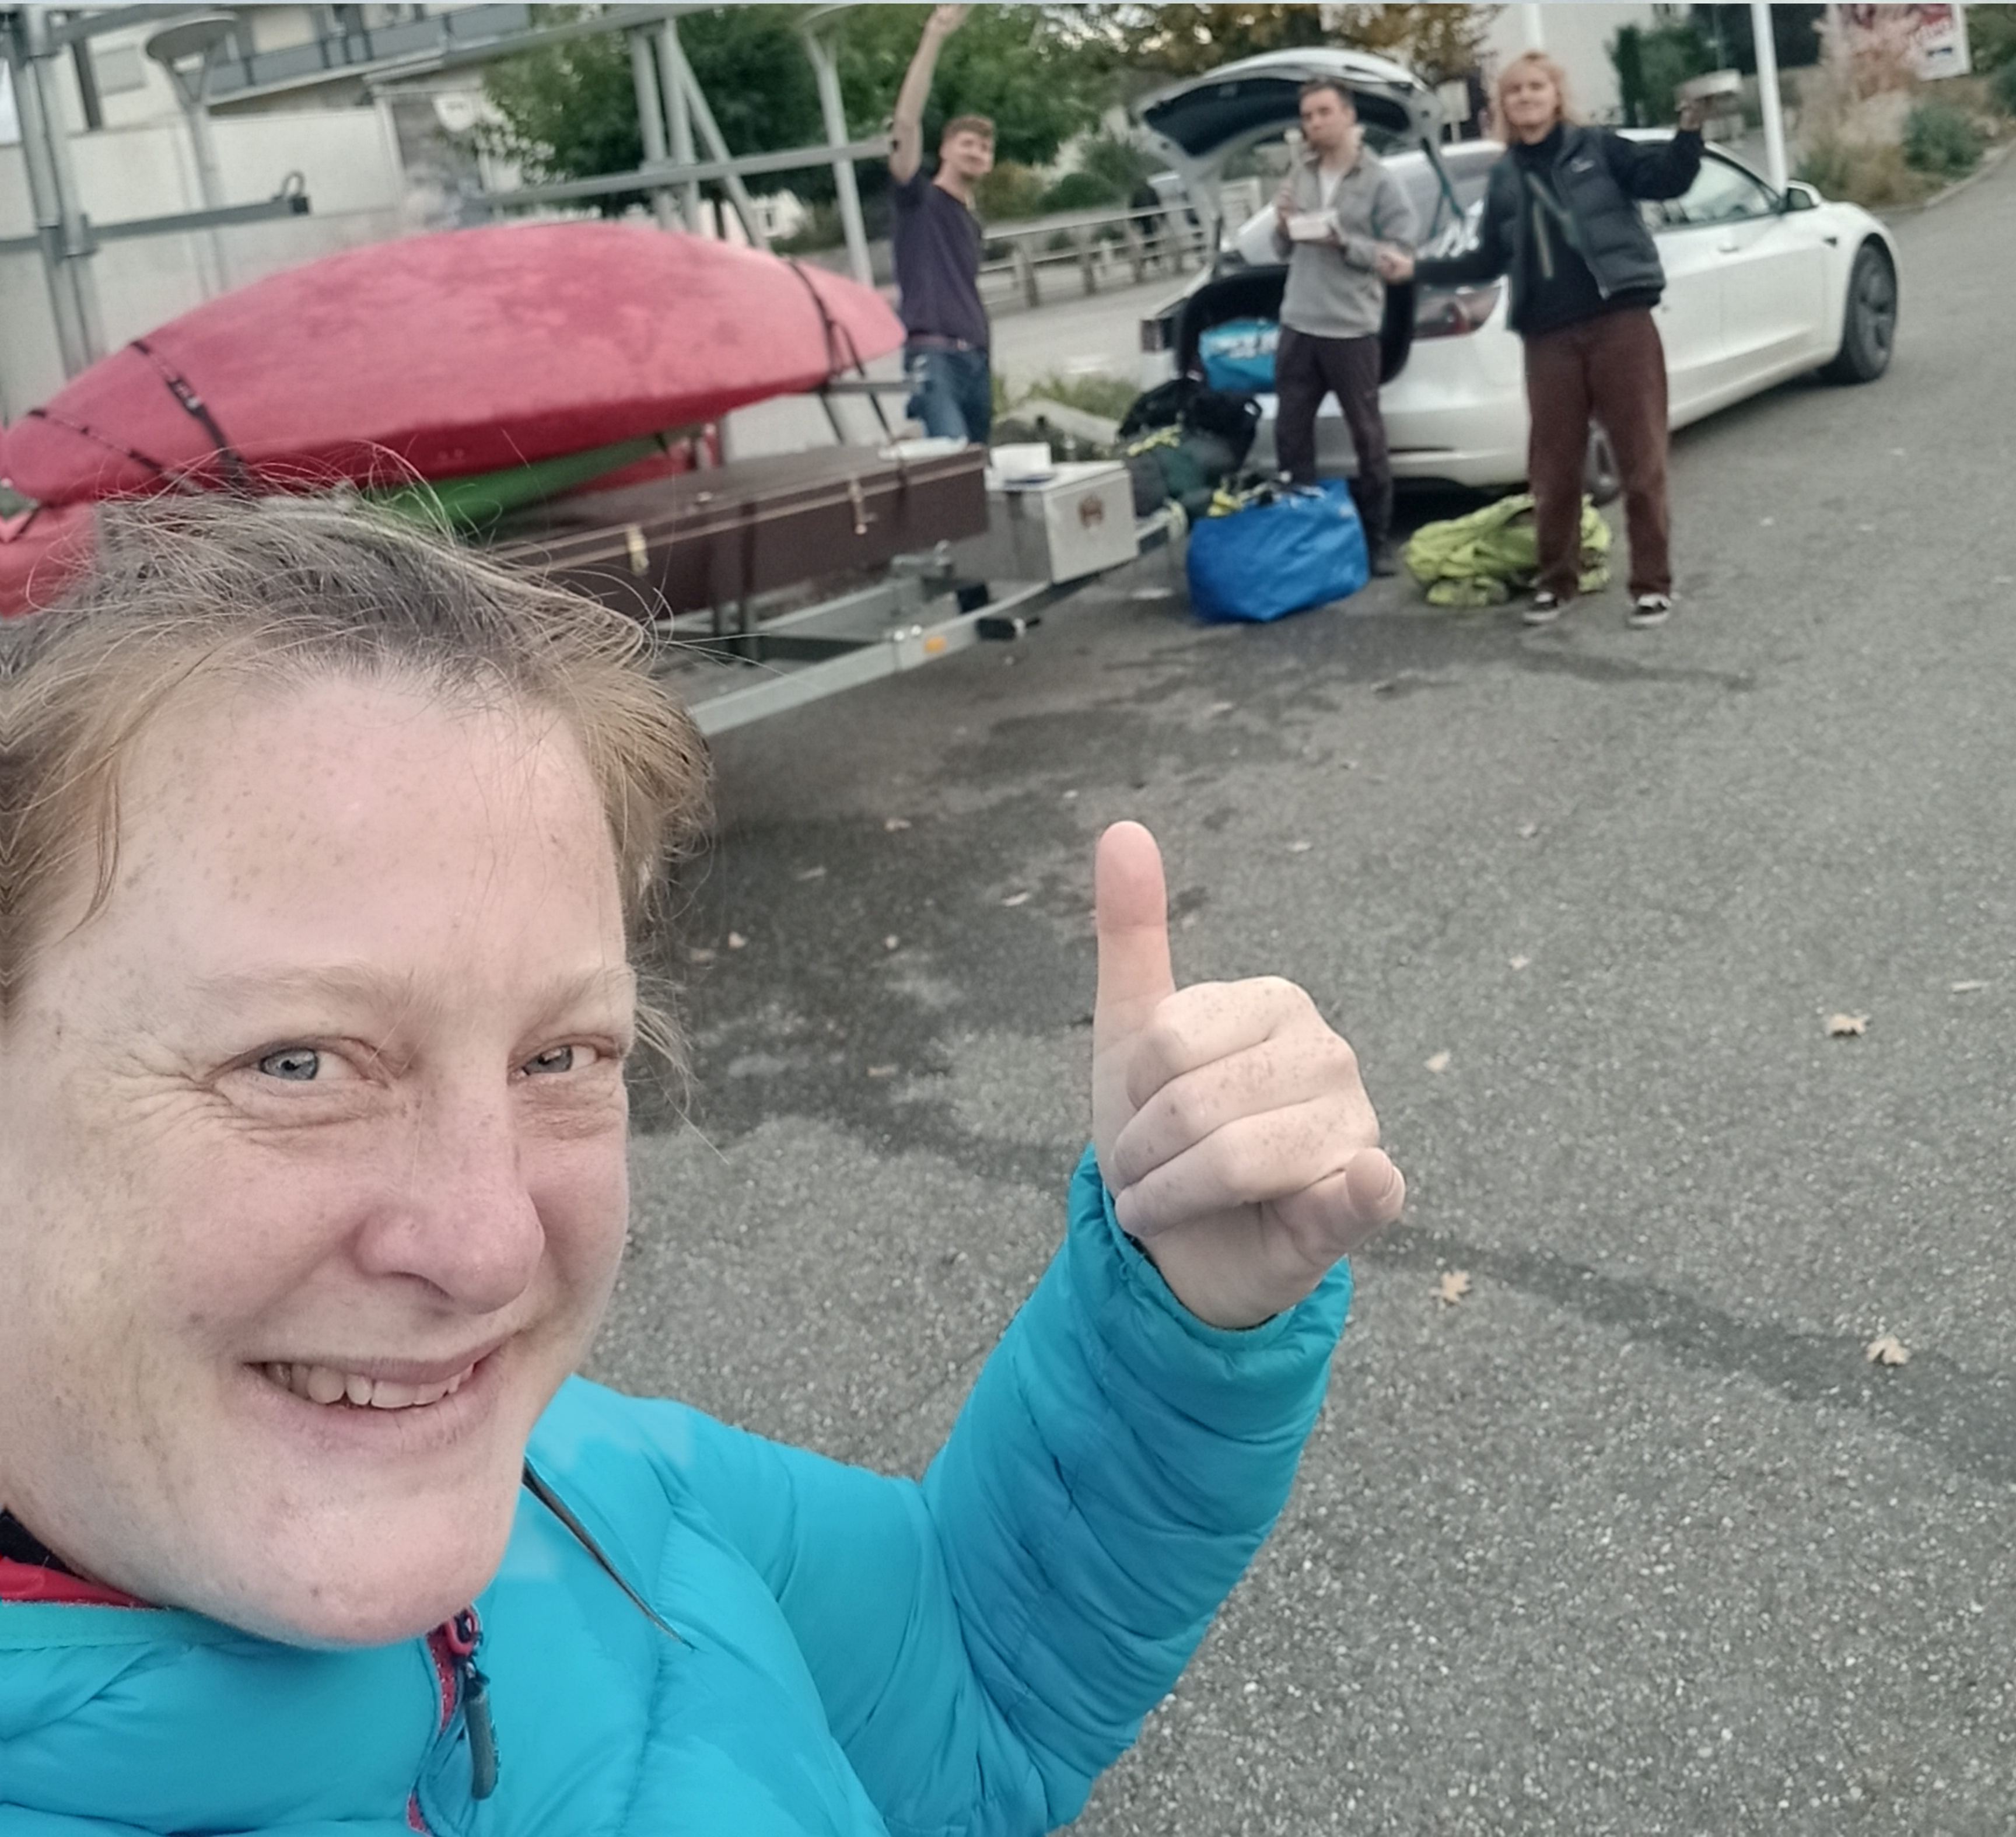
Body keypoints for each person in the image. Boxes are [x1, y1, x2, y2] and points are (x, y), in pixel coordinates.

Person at [0, 498, 1406, 1831]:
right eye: (297, 1061)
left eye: (560, 1055)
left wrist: (1162, 1304)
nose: (488, 1245)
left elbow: (969, 1686)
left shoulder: (596, 1476)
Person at [1399, 53, 1706, 628]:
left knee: (1640, 460)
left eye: (1536, 87)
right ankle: (1555, 581)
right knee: (1553, 467)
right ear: (1504, 108)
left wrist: (1688, 134)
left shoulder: (1599, 148)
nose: (1526, 98)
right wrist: (1416, 271)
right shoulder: (1505, 178)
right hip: (1548, 335)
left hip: (1619, 320)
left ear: (1555, 95)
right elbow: (1486, 256)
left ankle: (1652, 584)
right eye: (1514, 91)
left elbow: (1666, 178)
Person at [1269, 78, 1419, 578]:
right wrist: (1282, 223)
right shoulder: (1301, 171)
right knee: (1291, 434)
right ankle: (1303, 533)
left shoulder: (1379, 180)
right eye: (1307, 116)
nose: (1314, 124)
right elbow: (1281, 250)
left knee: (1367, 437)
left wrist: (1344, 244)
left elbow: (1400, 254)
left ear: (1348, 116)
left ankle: (1376, 540)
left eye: (1323, 113)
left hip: (1351, 327)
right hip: (1298, 321)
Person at [888, 4, 995, 446]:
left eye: (986, 148)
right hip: (934, 356)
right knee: (953, 469)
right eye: (968, 143)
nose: (978, 152)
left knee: (981, 471)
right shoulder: (918, 200)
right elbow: (906, 122)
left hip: (977, 360)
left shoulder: (971, 221)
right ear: (946, 149)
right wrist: (935, 36)